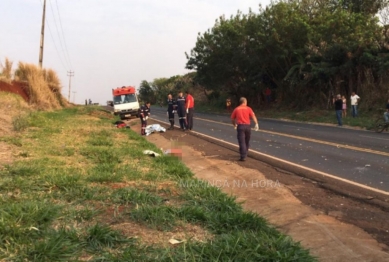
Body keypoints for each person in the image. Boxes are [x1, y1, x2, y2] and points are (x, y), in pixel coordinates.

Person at [230, 97, 259, 161]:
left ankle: (243, 156)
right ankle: (245, 153)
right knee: (247, 141)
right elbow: (253, 116)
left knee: (242, 141)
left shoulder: (236, 109)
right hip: (248, 126)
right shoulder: (248, 108)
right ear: (245, 102)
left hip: (240, 126)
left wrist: (234, 125)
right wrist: (256, 123)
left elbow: (232, 119)